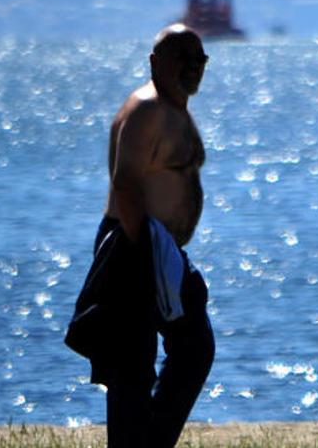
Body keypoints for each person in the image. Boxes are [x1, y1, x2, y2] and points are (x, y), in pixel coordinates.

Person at [92, 24, 214, 448]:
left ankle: (147, 443)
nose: (192, 67)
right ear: (155, 62)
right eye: (182, 57)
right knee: (136, 364)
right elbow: (125, 184)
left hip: (158, 246)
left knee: (188, 347)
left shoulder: (174, 106)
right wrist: (148, 252)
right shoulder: (147, 108)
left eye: (199, 59)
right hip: (135, 242)